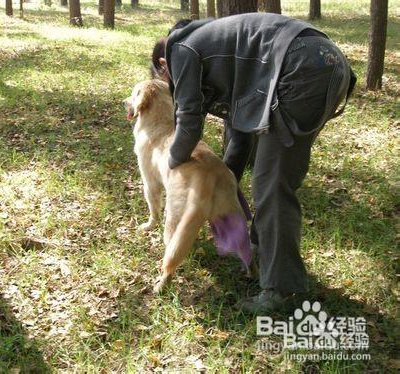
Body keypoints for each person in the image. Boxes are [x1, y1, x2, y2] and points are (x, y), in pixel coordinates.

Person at [151, 13, 355, 313]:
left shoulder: (182, 50)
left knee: (271, 185)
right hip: (329, 65)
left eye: (172, 86)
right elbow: (241, 137)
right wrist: (222, 186)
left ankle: (281, 290)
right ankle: (263, 251)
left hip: (301, 67)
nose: (177, 92)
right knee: (278, 175)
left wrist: (170, 164)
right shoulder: (225, 52)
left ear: (164, 66)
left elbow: (189, 124)